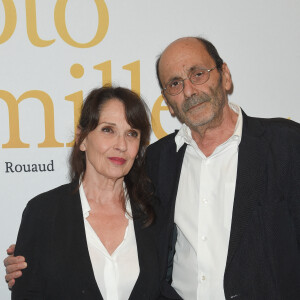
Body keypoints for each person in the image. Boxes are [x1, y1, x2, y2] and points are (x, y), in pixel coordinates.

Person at [5, 37, 300, 299]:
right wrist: (35, 258)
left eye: (198, 74)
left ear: (224, 76)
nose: (189, 90)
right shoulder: (160, 161)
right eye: (175, 83)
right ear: (169, 103)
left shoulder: (287, 145)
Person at [7, 86, 163, 299]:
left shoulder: (154, 212)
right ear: (82, 139)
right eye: (108, 130)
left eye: (131, 134)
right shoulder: (43, 212)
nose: (121, 145)